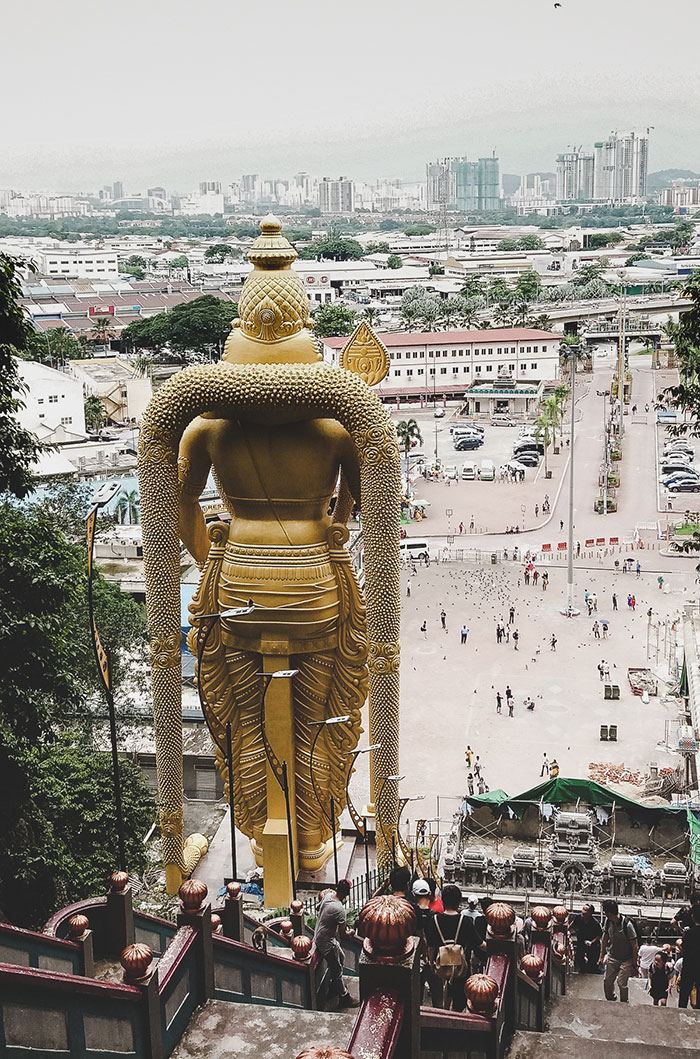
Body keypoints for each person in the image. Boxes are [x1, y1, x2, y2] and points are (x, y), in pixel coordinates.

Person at [425, 883, 483, 1011]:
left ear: (443, 901)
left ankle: (443, 1015)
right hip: (461, 968)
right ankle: (456, 1017)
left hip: (441, 965)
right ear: (459, 902)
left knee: (443, 994)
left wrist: (431, 963)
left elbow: (431, 946)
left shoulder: (434, 920)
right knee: (460, 998)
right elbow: (479, 943)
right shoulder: (465, 921)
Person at [312, 880, 359, 1007]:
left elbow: (317, 907)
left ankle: (334, 986)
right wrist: (351, 932)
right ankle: (344, 997)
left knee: (342, 957)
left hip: (320, 936)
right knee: (336, 968)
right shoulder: (339, 910)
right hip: (326, 942)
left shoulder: (327, 896)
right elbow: (343, 934)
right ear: (347, 893)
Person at [599, 899, 639, 1003]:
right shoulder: (608, 922)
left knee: (621, 983)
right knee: (607, 981)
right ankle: (611, 998)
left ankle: (624, 1003)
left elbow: (635, 946)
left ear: (609, 913)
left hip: (627, 959)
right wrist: (602, 955)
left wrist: (634, 964)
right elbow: (604, 939)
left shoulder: (627, 925)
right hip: (613, 956)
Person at [570, 904, 603, 973]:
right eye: (583, 909)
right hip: (581, 941)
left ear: (590, 913)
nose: (583, 911)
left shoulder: (595, 923)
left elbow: (600, 935)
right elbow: (573, 924)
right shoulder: (578, 917)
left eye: (585, 910)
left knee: (592, 962)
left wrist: (591, 942)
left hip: (592, 943)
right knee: (579, 958)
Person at [679, 903, 700, 1008]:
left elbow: (683, 947)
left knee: (684, 994)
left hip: (689, 966)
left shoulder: (689, 933)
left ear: (693, 917)